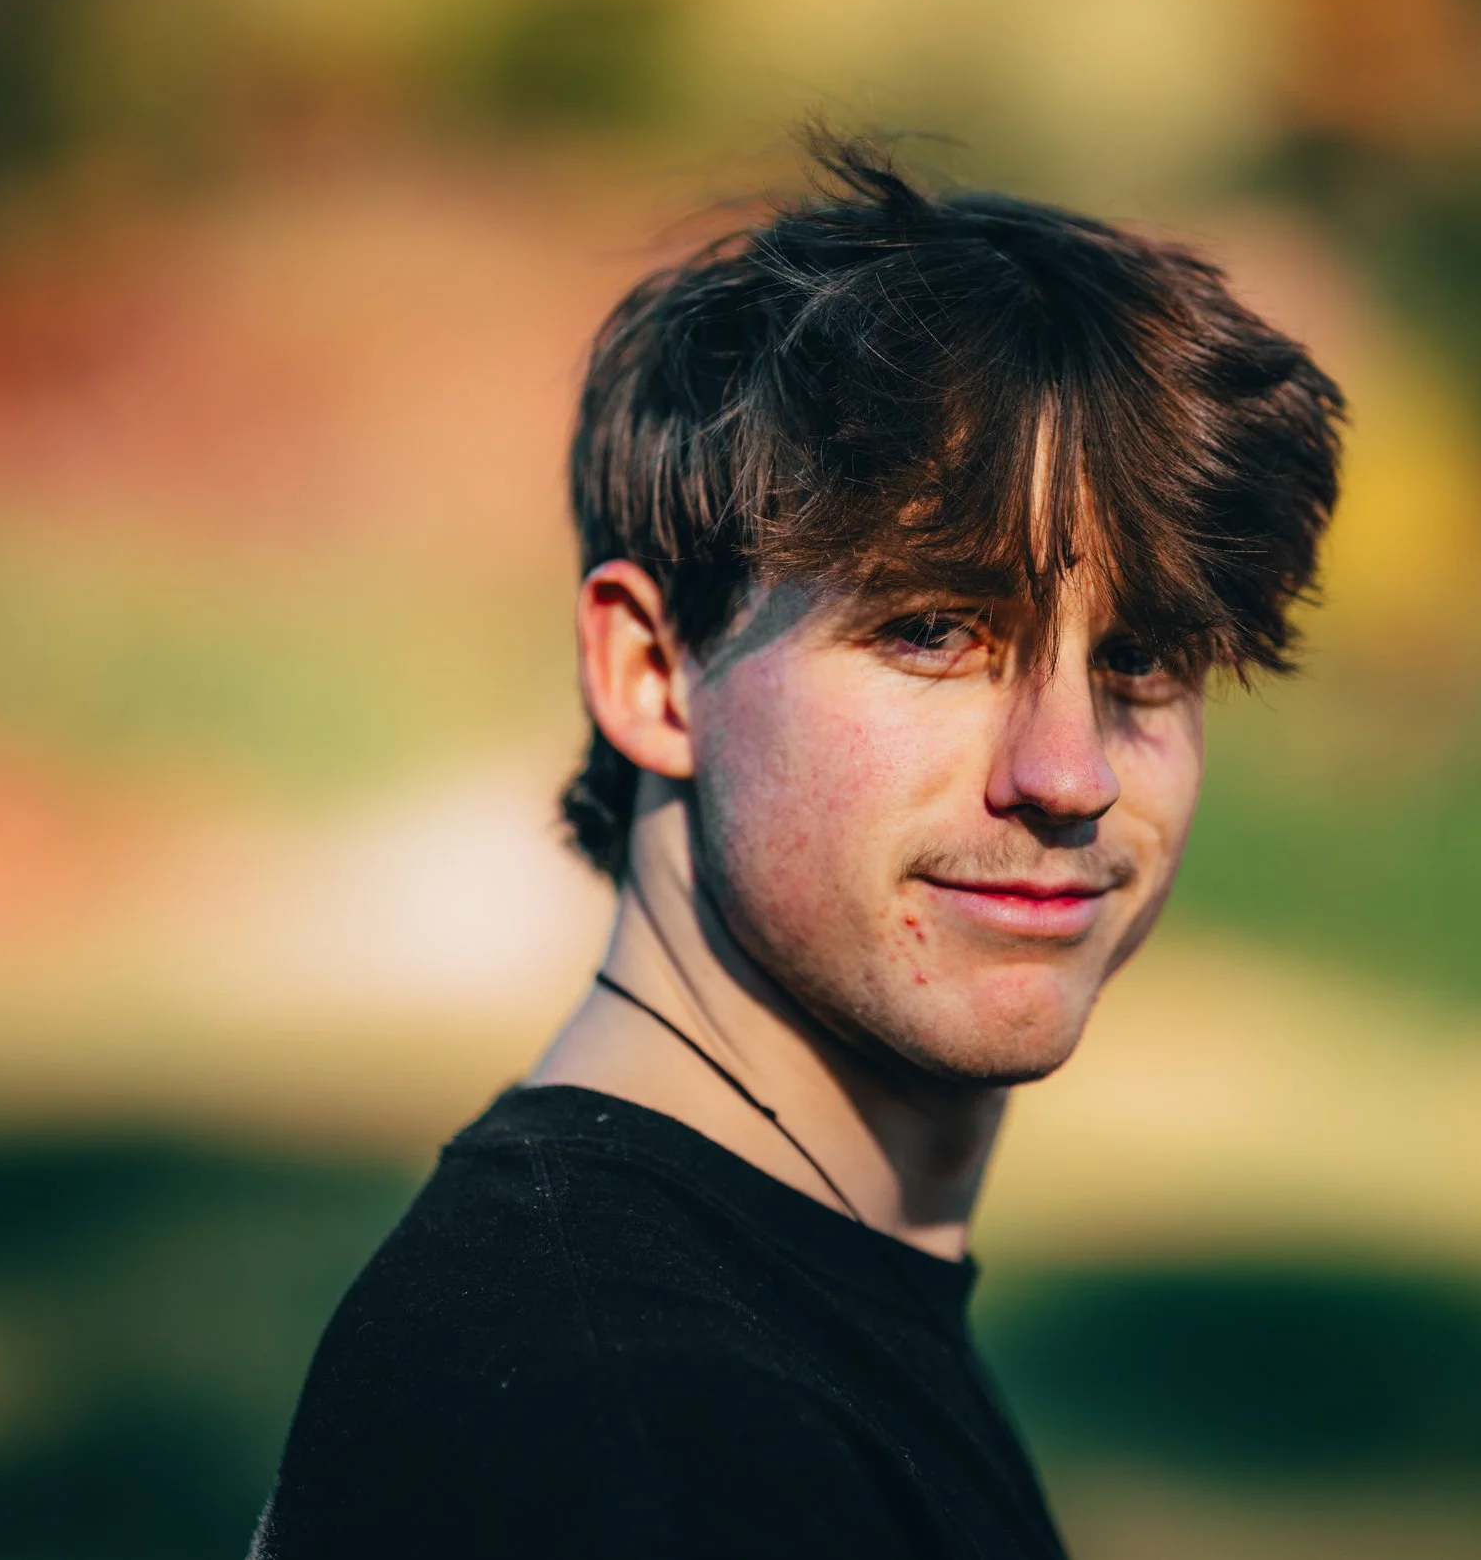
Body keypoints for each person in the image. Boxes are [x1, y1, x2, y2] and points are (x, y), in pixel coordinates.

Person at [253, 136, 1343, 1559]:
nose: (1066, 771)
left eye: (1141, 658)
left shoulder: (753, 1317)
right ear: (653, 674)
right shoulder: (638, 1432)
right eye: (936, 630)